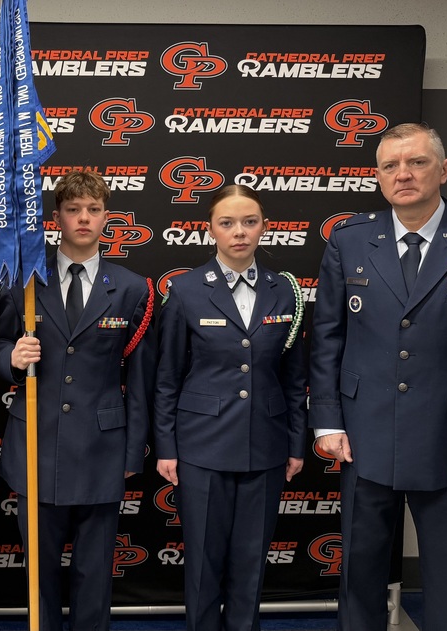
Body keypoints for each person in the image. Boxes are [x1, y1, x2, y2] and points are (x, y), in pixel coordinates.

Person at [310, 122, 447, 631]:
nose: (403, 174)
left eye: (417, 162)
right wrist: (327, 421)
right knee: (359, 576)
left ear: (444, 169)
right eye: (390, 166)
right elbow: (327, 338)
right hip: (364, 436)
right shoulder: (349, 240)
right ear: (378, 176)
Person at [0, 169, 156, 631]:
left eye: (93, 209)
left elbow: (141, 380)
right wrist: (11, 357)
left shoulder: (132, 288)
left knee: (94, 573)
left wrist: (133, 451)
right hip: (36, 445)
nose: (83, 218)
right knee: (39, 574)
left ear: (107, 217)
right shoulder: (25, 280)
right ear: (56, 218)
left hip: (102, 450)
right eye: (73, 209)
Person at [154, 184, 307, 631]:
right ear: (211, 230)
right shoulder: (185, 290)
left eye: (249, 222)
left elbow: (294, 378)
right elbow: (167, 378)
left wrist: (296, 443)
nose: (239, 232)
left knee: (251, 560)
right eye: (227, 223)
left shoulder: (286, 291)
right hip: (202, 447)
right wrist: (166, 447)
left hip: (266, 444)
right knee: (203, 561)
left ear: (264, 227)